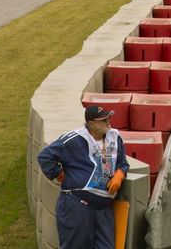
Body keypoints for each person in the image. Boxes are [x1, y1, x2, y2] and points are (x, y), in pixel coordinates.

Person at [37, 105, 129, 249]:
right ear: (91, 124)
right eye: (103, 120)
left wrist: (120, 174)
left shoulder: (115, 139)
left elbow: (122, 163)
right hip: (77, 205)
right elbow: (45, 156)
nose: (108, 121)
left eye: (108, 117)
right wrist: (58, 173)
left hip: (104, 208)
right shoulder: (74, 139)